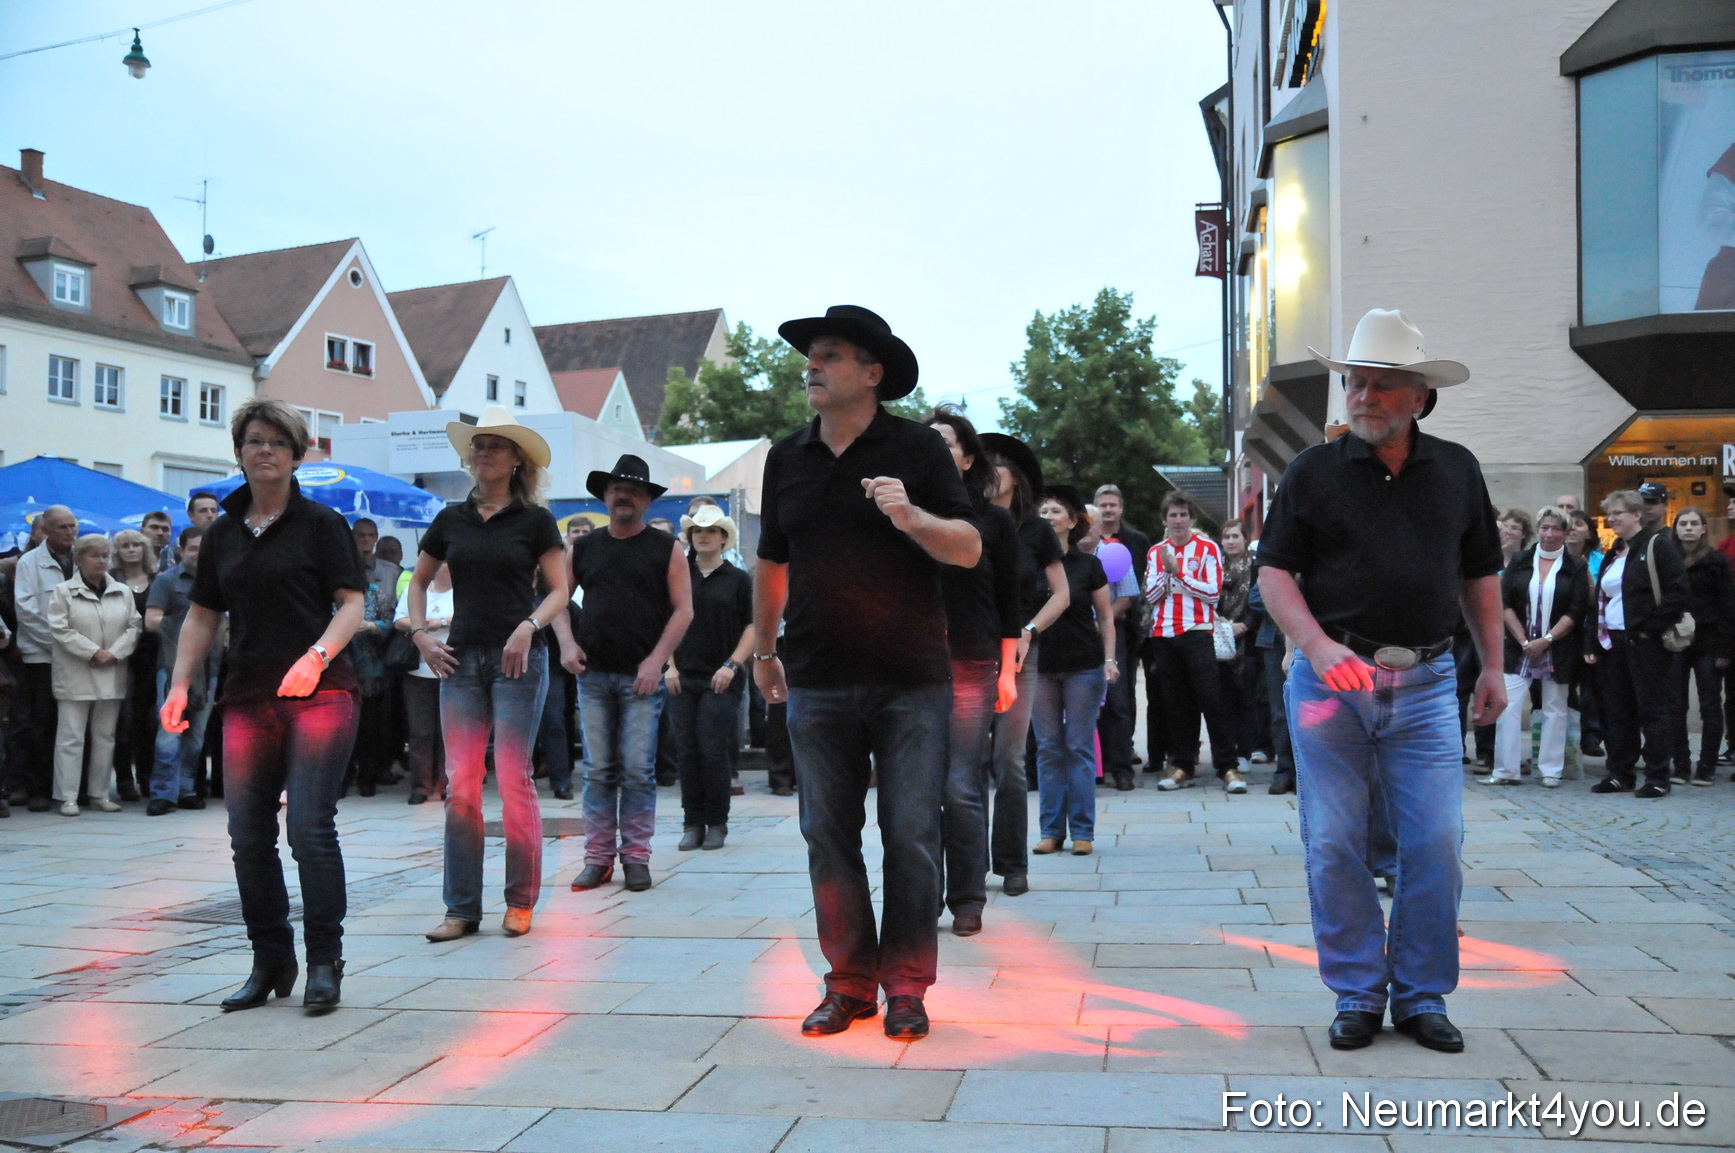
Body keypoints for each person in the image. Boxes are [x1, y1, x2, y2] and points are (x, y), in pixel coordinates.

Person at [1258, 308, 1505, 1054]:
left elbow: (1479, 575)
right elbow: (1271, 573)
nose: (1360, 396)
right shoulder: (1312, 471)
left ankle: (1421, 992)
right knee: (1333, 840)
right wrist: (1314, 643)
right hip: (1329, 686)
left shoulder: (1456, 469)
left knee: (1433, 840)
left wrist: (1492, 663)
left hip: (1428, 682)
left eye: (1378, 385)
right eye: (1353, 383)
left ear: (1417, 397)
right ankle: (1358, 991)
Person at [754, 305, 980, 1042]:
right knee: (826, 832)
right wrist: (762, 648)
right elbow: (770, 560)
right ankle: (849, 982)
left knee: (911, 833)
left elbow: (970, 547)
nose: (810, 366)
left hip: (909, 676)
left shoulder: (915, 447)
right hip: (816, 676)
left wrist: (913, 518)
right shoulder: (786, 455)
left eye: (828, 355)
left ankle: (906, 985)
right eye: (809, 356)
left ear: (872, 372)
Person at [162, 398, 368, 1015]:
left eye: (279, 442)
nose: (266, 450)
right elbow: (202, 616)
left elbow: (352, 604)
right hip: (249, 696)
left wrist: (317, 656)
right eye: (255, 441)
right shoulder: (222, 533)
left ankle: (325, 964)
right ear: (239, 453)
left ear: (296, 454)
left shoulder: (321, 524)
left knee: (308, 826)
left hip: (322, 694)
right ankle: (270, 959)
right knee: (247, 834)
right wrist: (179, 685)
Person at [410, 407, 569, 940]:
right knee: (461, 785)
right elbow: (418, 580)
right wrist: (419, 634)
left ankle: (519, 902)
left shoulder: (535, 520)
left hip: (518, 658)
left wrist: (529, 625)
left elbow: (559, 589)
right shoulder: (451, 517)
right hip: (459, 658)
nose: (483, 454)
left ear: (516, 459)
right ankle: (461, 909)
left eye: (495, 446)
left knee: (514, 778)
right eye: (478, 446)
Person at [568, 454, 693, 893]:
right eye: (617, 489)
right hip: (593, 674)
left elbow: (683, 611)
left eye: (634, 490)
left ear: (645, 500)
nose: (624, 495)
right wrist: (566, 642)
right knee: (598, 770)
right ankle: (597, 858)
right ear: (605, 497)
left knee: (638, 771)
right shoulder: (583, 547)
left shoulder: (666, 548)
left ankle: (636, 857)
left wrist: (656, 661)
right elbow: (557, 599)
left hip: (642, 676)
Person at [925, 407, 1020, 934]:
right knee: (916, 788)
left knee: (959, 783)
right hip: (912, 666)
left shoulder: (994, 521)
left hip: (972, 662)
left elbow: (1009, 603)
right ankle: (921, 896)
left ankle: (967, 897)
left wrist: (1007, 673)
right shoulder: (903, 515)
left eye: (948, 443)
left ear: (966, 458)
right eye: (929, 442)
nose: (938, 451)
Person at [978, 435, 1068, 894]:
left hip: (1019, 656)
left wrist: (1029, 632)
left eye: (999, 465)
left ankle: (1012, 864)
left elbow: (1062, 594)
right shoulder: (965, 521)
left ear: (1016, 475)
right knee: (967, 762)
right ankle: (969, 866)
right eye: (985, 464)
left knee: (1008, 760)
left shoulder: (1036, 529)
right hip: (970, 652)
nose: (991, 472)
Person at [1031, 485, 1116, 856]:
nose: (1048, 516)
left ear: (1070, 522)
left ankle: (1083, 831)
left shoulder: (1088, 564)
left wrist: (1110, 660)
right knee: (1048, 748)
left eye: (1055, 511)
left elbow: (1107, 618)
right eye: (1043, 511)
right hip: (1038, 666)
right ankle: (1051, 831)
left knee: (1078, 746)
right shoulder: (1028, 563)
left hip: (1084, 666)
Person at [1587, 490, 1689, 798]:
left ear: (1636, 514)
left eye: (1618, 513)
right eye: (1610, 513)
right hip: (1612, 644)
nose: (1612, 518)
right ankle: (1620, 773)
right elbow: (1601, 601)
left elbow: (1678, 593)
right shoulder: (1613, 551)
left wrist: (1649, 629)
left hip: (1645, 644)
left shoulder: (1658, 546)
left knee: (1653, 711)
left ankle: (1658, 776)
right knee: (1617, 712)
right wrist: (1593, 640)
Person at [664, 504, 753, 851]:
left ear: (723, 538)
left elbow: (753, 625)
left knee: (712, 748)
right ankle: (692, 823)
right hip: (682, 676)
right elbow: (665, 620)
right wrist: (669, 666)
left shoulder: (738, 579)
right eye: (698, 530)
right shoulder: (677, 576)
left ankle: (717, 822)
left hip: (723, 675)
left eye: (711, 530)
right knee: (686, 750)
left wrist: (732, 664)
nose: (703, 535)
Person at [1483, 506, 1586, 788]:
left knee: (1555, 707)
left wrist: (1547, 640)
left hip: (1557, 645)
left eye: (1556, 529)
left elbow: (1576, 610)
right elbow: (1504, 603)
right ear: (1537, 529)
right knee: (1509, 704)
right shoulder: (1520, 560)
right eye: (1545, 528)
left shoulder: (1575, 566)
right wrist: (1523, 640)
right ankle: (1505, 769)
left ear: (1565, 533)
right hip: (1519, 646)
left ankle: (1550, 769)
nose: (1549, 534)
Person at [1145, 493, 1241, 792]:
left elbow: (1213, 594)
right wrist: (1165, 574)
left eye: (1183, 515)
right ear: (1165, 519)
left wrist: (1179, 573)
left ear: (1191, 518)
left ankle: (1228, 767)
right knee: (1175, 704)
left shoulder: (1207, 547)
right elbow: (1150, 596)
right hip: (1164, 634)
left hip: (1198, 631)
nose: (1178, 520)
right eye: (1172, 515)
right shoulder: (1155, 552)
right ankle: (1182, 765)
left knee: (1212, 699)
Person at [48, 534, 141, 815]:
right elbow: (60, 628)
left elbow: (134, 627)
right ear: (78, 560)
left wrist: (114, 652)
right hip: (76, 672)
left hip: (111, 670)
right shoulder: (63, 591)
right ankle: (67, 797)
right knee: (70, 737)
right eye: (94, 555)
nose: (101, 561)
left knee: (105, 736)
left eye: (105, 555)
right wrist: (92, 651)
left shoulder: (122, 591)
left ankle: (99, 794)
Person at [145, 525, 217, 815]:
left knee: (197, 735)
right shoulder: (166, 581)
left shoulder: (218, 580)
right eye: (194, 548)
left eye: (204, 549)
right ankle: (162, 793)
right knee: (169, 732)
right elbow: (151, 621)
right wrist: (190, 627)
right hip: (173, 668)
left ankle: (186, 789)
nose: (199, 554)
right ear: (181, 550)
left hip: (209, 668)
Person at [13, 506, 79, 812]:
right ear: (47, 530)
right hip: (41, 656)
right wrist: (59, 645)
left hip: (77, 656)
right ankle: (36, 787)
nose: (69, 532)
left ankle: (65, 788)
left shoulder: (82, 557)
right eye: (62, 527)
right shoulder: (30, 562)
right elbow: (26, 611)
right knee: (39, 723)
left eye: (72, 526)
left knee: (69, 726)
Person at [1667, 507, 1734, 786]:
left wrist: (1725, 649)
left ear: (1704, 528)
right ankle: (1681, 765)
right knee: (1675, 705)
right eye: (1684, 523)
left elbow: (1727, 604)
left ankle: (1706, 765)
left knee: (1709, 704)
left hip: (1709, 641)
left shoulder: (1716, 561)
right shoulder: (1668, 559)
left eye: (1695, 523)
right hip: (1676, 640)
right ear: (1676, 528)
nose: (1689, 528)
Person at [1093, 484, 1150, 781]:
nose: (1108, 510)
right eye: (1103, 505)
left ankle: (1122, 756)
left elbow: (1133, 591)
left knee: (1121, 695)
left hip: (1124, 628)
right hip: (1084, 634)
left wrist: (1104, 620)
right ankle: (1099, 761)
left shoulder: (1135, 541)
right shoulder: (1079, 545)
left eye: (1113, 505)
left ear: (1121, 508)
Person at [394, 560, 452, 805]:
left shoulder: (461, 592)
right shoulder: (415, 591)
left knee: (448, 733)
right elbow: (399, 620)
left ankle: (446, 784)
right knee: (421, 731)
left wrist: (445, 622)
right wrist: (427, 624)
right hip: (418, 671)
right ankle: (420, 786)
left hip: (452, 670)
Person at [109, 529, 160, 802]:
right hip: (121, 656)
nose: (131, 550)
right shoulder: (111, 580)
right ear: (117, 552)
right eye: (125, 546)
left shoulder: (156, 580)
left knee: (149, 721)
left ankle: (146, 777)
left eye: (135, 545)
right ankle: (125, 780)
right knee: (124, 721)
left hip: (152, 657)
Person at [1567, 510, 1607, 758]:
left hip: (1590, 630)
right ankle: (1567, 736)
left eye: (1579, 524)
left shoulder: (1598, 560)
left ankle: (1591, 735)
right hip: (1561, 631)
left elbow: (1601, 597)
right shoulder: (1554, 557)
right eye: (1568, 524)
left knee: (1592, 687)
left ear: (1589, 532)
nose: (1572, 528)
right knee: (1565, 687)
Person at [1217, 519, 1257, 765]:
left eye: (1235, 536)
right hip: (1219, 636)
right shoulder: (1213, 565)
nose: (1230, 541)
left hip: (1248, 638)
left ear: (1245, 539)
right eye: (1226, 537)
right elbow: (1208, 598)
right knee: (1223, 698)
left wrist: (1246, 624)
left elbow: (1262, 596)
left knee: (1247, 697)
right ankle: (1227, 750)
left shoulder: (1255, 565)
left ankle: (1245, 750)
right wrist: (1223, 623)